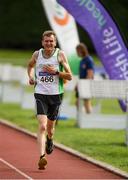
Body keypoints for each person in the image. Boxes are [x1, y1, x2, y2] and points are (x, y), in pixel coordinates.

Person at [27, 30, 72, 170]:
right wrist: (30, 76)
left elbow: (69, 76)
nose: (49, 43)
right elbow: (30, 66)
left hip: (55, 95)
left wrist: (56, 72)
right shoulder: (37, 54)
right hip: (40, 93)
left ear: (55, 42)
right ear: (42, 42)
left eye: (51, 41)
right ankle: (41, 158)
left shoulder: (60, 55)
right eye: (46, 41)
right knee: (42, 126)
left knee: (50, 129)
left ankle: (50, 139)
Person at [75, 43, 94, 114]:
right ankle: (83, 120)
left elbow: (90, 73)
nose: (76, 53)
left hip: (86, 85)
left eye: (77, 51)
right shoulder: (82, 60)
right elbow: (81, 75)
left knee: (86, 103)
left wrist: (85, 85)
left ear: (81, 50)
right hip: (82, 84)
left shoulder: (89, 60)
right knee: (78, 103)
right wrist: (77, 84)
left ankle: (87, 120)